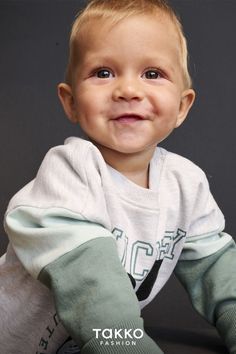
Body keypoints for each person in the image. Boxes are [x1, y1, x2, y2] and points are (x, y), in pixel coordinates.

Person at [1, 0, 236, 353]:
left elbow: (217, 271)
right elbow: (94, 292)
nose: (128, 90)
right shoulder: (71, 169)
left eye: (152, 74)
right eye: (103, 73)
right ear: (71, 102)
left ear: (182, 106)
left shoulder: (186, 185)